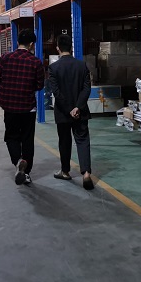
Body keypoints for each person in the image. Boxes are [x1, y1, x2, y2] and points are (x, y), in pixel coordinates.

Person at [0, 28, 45, 186]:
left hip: (10, 106)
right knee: (27, 139)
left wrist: (6, 86)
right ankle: (26, 173)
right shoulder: (35, 62)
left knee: (11, 136)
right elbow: (40, 85)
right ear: (31, 44)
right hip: (28, 108)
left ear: (18, 42)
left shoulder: (5, 58)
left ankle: (18, 161)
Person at [48, 34, 94, 191]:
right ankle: (86, 173)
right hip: (80, 112)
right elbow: (86, 89)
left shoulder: (53, 68)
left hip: (63, 113)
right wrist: (77, 107)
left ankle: (65, 171)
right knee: (83, 140)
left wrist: (69, 109)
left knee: (64, 141)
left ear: (58, 48)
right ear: (71, 48)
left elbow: (56, 92)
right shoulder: (82, 66)